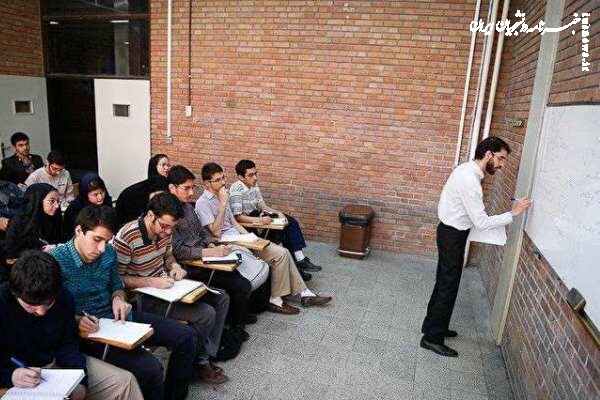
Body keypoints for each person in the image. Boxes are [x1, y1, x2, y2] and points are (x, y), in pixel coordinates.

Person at [51, 205, 198, 400]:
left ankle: (174, 395)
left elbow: (116, 285)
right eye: (97, 239)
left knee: (186, 336)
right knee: (151, 368)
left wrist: (118, 298)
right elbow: (48, 310)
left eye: (107, 241)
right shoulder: (55, 261)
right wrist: (77, 320)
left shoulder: (109, 253)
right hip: (87, 331)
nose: (102, 248)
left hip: (116, 318)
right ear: (79, 231)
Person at [420, 137, 532, 357]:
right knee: (447, 286)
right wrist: (514, 213)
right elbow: (480, 222)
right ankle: (432, 338)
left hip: (451, 232)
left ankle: (433, 326)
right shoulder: (470, 180)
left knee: (444, 283)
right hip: (452, 235)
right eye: (501, 158)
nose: (501, 165)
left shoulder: (467, 170)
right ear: (489, 154)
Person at [113, 192, 230, 384]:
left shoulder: (165, 231)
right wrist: (150, 282)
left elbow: (168, 256)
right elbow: (117, 279)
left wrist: (175, 267)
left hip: (166, 287)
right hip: (143, 297)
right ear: (150, 215)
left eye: (172, 228)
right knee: (206, 313)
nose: (168, 232)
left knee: (221, 298)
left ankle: (202, 357)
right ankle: (198, 363)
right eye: (164, 226)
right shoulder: (128, 235)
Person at [0, 250, 143, 400]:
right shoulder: (3, 303)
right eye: (30, 306)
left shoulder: (63, 297)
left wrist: (80, 381)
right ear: (15, 294)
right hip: (19, 374)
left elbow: (68, 344)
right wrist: (10, 375)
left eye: (48, 303)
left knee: (124, 382)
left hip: (57, 365)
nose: (41, 312)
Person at [196, 162, 332, 315]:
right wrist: (222, 204)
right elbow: (215, 232)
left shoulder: (223, 195)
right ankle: (278, 300)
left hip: (239, 237)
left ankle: (302, 294)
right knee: (277, 255)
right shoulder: (203, 203)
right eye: (218, 180)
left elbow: (234, 222)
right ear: (207, 183)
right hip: (225, 242)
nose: (223, 182)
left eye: (223, 178)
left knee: (282, 252)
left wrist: (250, 237)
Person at [168, 165, 263, 331]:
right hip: (192, 266)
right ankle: (236, 327)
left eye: (192, 188)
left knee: (241, 277)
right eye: (186, 188)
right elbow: (178, 251)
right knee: (240, 285)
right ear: (172, 188)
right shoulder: (168, 213)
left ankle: (237, 318)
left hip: (206, 256)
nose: (191, 193)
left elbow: (202, 232)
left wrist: (210, 243)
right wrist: (209, 251)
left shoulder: (188, 207)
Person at [230, 159, 322, 277]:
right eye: (251, 175)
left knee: (289, 221)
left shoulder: (254, 185)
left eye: (256, 173)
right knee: (284, 232)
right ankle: (298, 265)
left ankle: (299, 261)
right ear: (241, 177)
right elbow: (238, 217)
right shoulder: (236, 189)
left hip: (259, 218)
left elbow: (262, 206)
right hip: (249, 226)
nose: (255, 178)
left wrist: (278, 213)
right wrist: (259, 220)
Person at [4, 183, 64, 259]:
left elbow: (61, 239)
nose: (57, 206)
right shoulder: (19, 222)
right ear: (38, 201)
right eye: (52, 201)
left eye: (58, 201)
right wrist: (40, 250)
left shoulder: (54, 218)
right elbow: (10, 252)